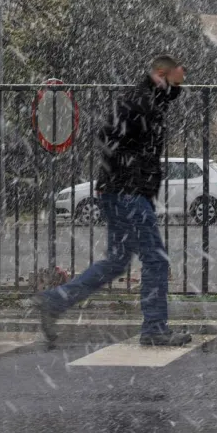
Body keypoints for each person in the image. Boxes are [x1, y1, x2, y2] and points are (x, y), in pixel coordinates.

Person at [35, 55, 192, 348]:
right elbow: (107, 136)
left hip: (122, 191)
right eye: (179, 71)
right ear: (162, 73)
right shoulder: (139, 101)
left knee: (117, 261)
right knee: (156, 260)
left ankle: (54, 301)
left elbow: (160, 102)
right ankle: (155, 328)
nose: (185, 75)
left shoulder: (148, 99)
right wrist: (129, 175)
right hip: (128, 193)